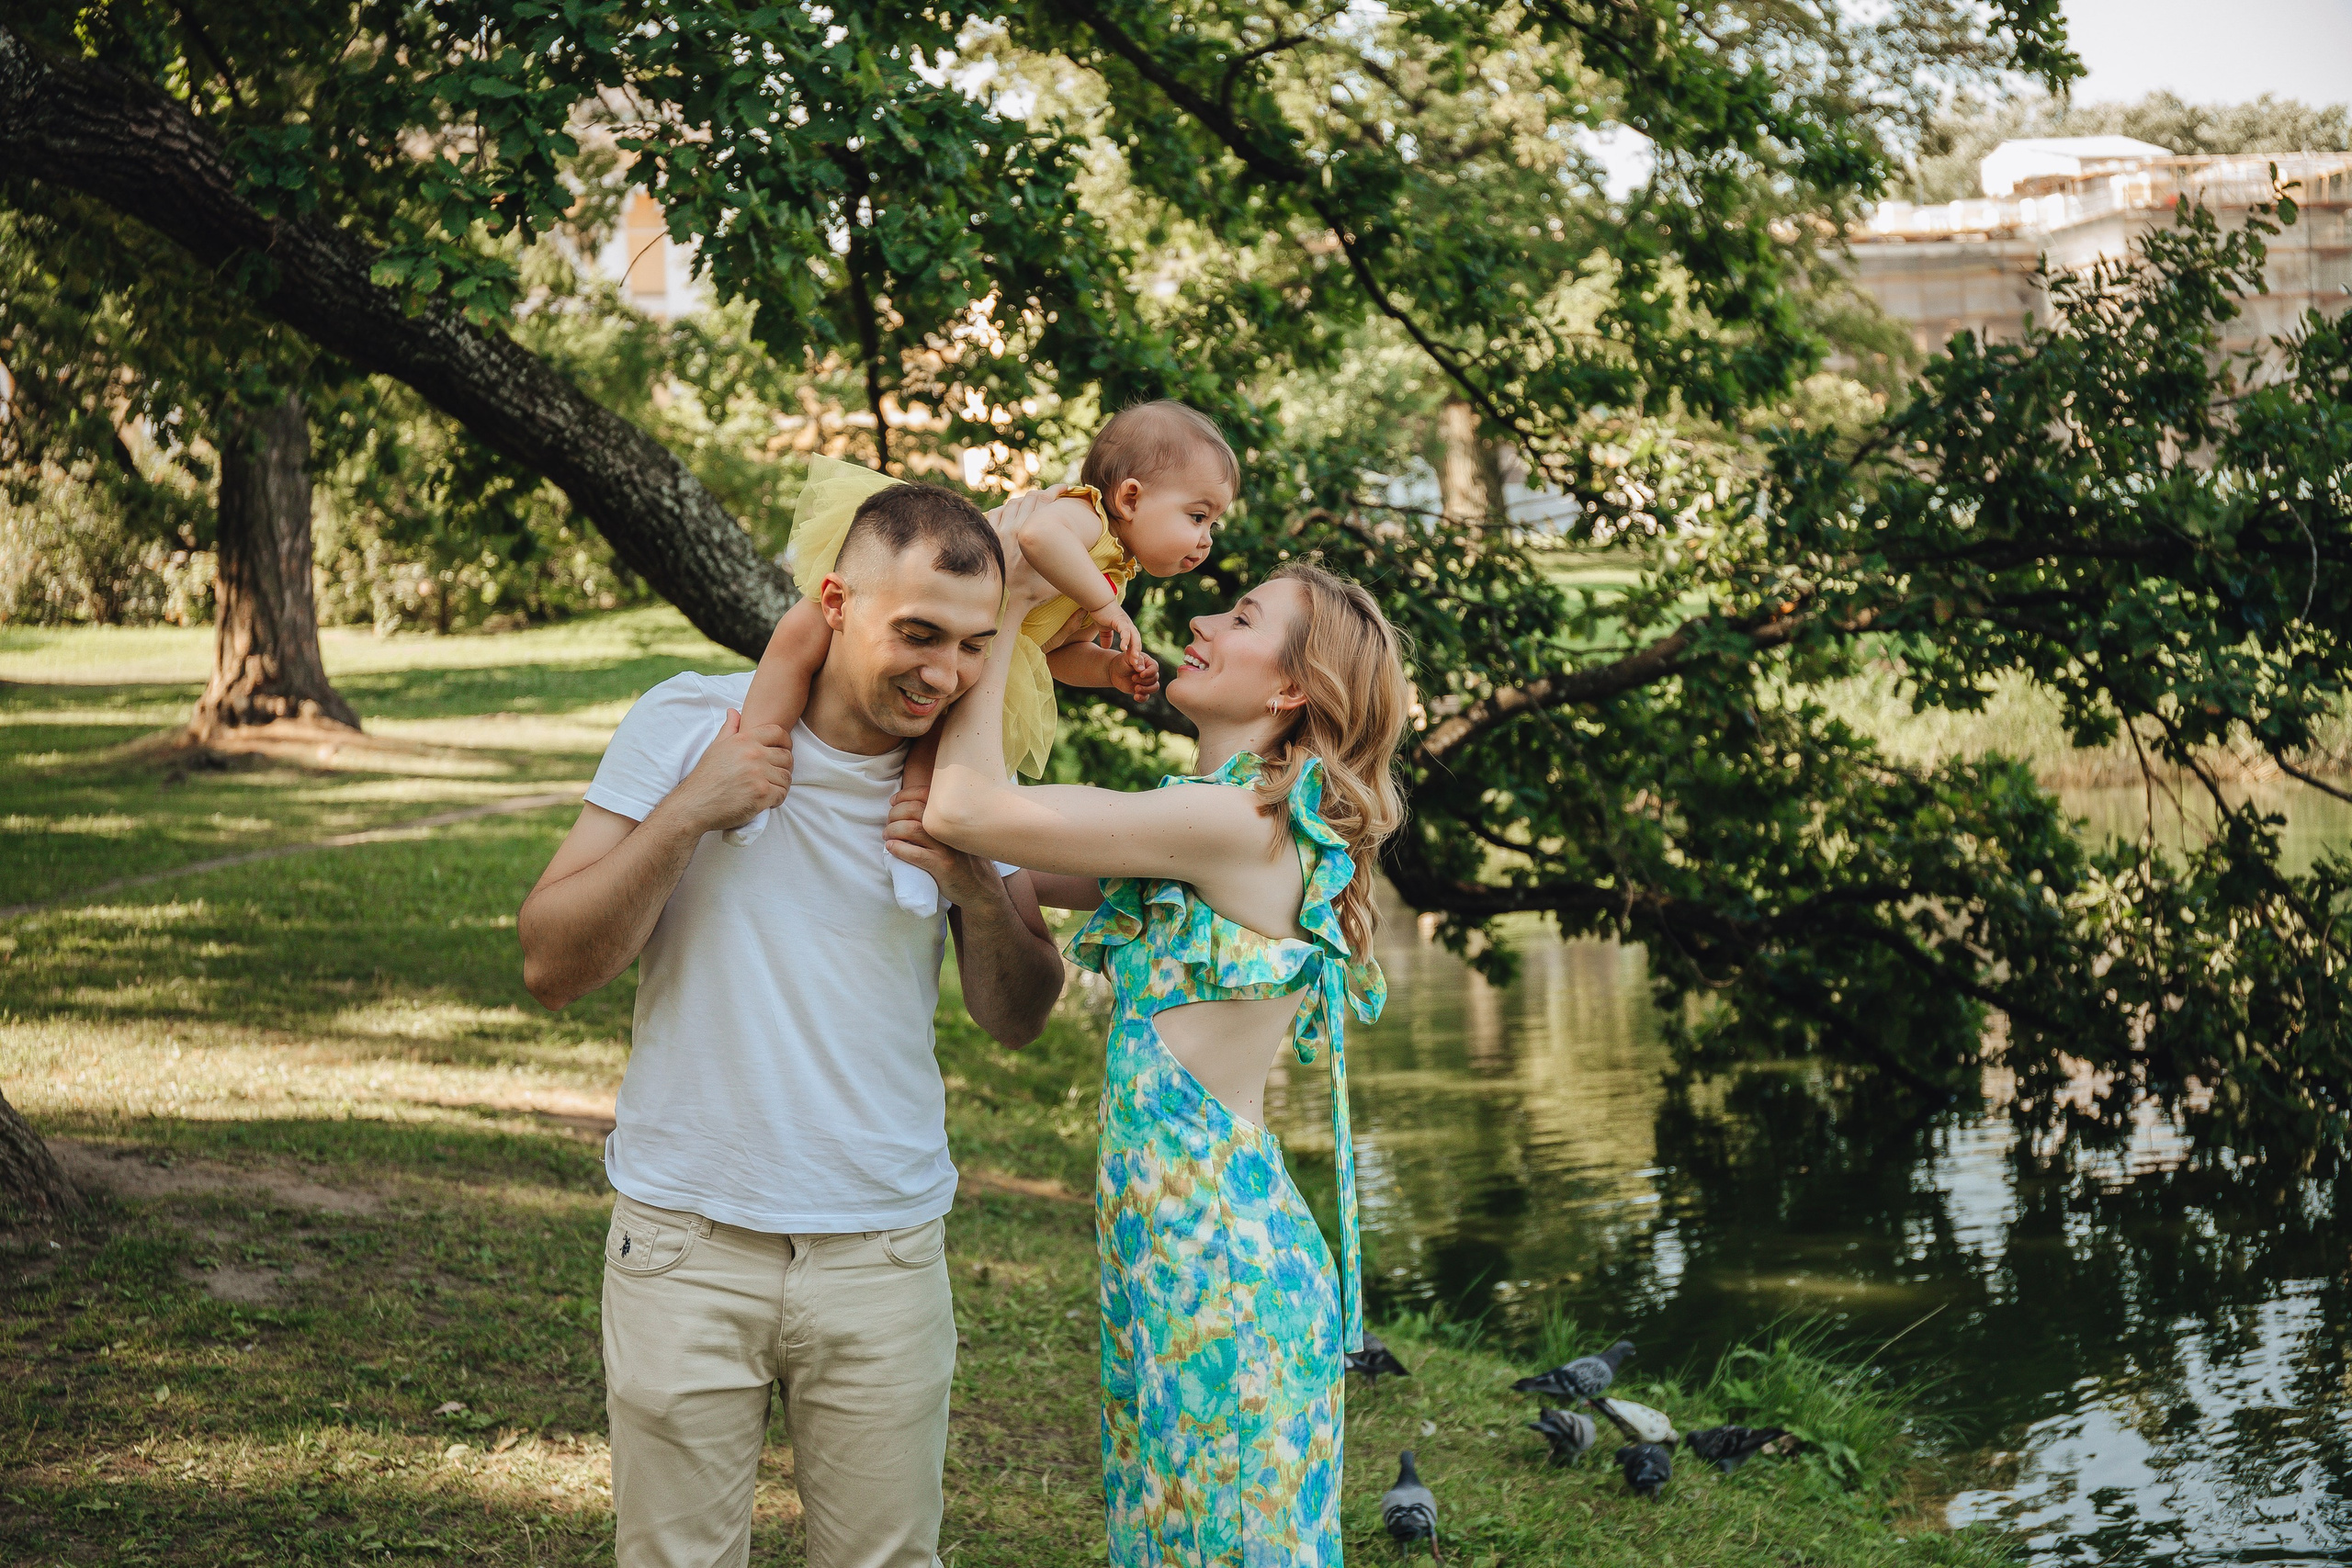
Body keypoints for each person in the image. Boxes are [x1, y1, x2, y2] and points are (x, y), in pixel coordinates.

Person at [514, 481, 1067, 1568]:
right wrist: (692, 812)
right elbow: (549, 962)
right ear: (836, 603)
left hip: (885, 1251)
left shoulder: (964, 778)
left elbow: (1018, 1014)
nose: (944, 675)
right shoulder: (691, 723)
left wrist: (968, 879)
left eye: (970, 646)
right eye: (917, 633)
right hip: (686, 1241)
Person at [922, 548, 1413, 1564]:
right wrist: (1030, 657)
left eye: (1240, 618)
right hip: (1173, 1256)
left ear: (1287, 688)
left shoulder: (1233, 823)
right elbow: (997, 854)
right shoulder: (1206, 825)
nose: (1201, 623)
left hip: (1220, 1266)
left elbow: (967, 811)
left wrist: (1012, 602)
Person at [725, 401, 1239, 916]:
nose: (1205, 541)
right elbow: (1039, 539)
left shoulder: (1114, 574)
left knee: (935, 758)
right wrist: (1103, 606)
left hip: (977, 653)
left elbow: (1051, 655)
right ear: (1130, 497)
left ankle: (910, 852)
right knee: (801, 632)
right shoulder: (1087, 518)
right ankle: (755, 761)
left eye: (1212, 525)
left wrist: (1106, 669)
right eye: (1197, 517)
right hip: (923, 584)